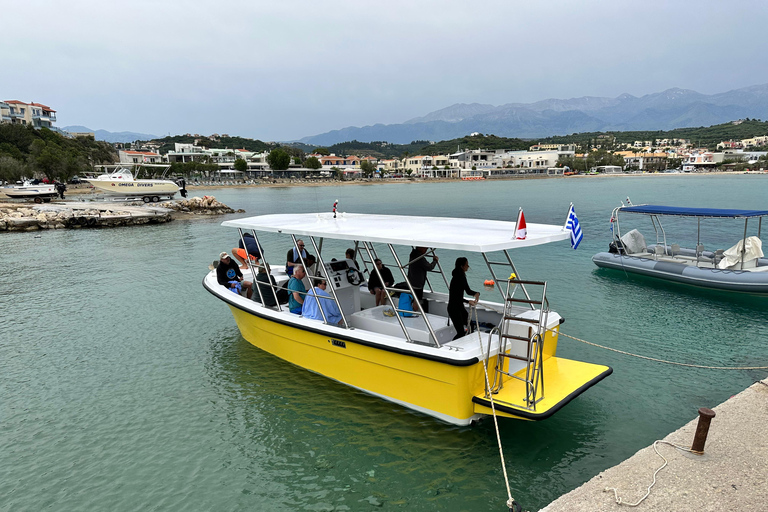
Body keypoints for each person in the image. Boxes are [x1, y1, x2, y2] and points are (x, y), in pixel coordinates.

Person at [448, 257, 479, 340]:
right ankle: (451, 347)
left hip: (459, 307)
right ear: (462, 266)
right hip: (453, 308)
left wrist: (476, 293)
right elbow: (455, 297)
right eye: (466, 265)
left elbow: (468, 291)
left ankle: (467, 343)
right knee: (460, 332)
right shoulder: (456, 278)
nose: (468, 266)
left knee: (471, 326)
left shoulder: (462, 277)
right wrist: (468, 301)